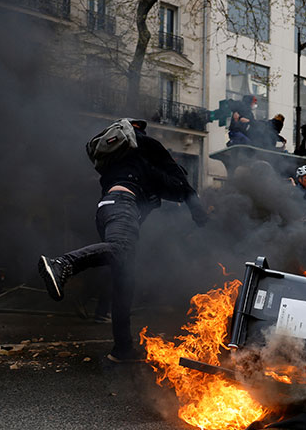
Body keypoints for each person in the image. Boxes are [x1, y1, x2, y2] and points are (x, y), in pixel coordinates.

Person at [38, 119, 208, 363]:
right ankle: (62, 264)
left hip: (108, 209)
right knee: (121, 250)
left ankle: (122, 350)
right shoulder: (144, 157)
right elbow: (179, 183)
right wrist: (199, 211)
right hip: (122, 208)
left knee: (124, 283)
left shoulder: (120, 163)